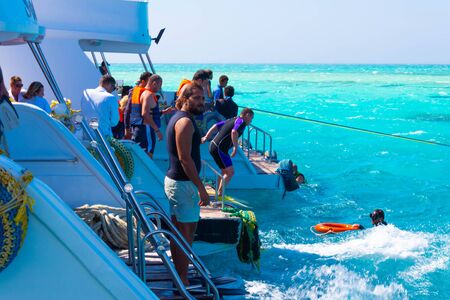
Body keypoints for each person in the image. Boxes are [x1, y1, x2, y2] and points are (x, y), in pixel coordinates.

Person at [164, 83, 209, 285]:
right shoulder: (185, 122)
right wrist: (201, 188)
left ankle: (180, 276)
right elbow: (185, 160)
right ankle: (182, 280)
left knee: (180, 232)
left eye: (203, 99)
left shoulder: (180, 118)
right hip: (183, 185)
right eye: (197, 98)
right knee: (185, 234)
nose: (202, 102)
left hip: (178, 183)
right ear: (185, 99)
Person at [201, 108, 254, 195]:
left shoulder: (232, 119)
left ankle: (218, 192)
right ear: (247, 115)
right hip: (219, 149)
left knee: (224, 171)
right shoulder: (241, 121)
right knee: (230, 172)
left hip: (214, 146)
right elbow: (234, 132)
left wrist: (206, 137)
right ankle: (220, 194)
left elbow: (215, 126)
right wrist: (235, 148)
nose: (251, 121)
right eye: (251, 118)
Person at [138, 74, 173, 158]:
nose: (159, 88)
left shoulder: (144, 93)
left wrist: (163, 112)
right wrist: (157, 131)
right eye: (159, 85)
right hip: (147, 129)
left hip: (143, 129)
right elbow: (145, 113)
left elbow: (149, 112)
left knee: (146, 152)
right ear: (154, 83)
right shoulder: (148, 95)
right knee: (148, 153)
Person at [124, 71, 152, 139]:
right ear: (143, 81)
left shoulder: (143, 92)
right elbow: (127, 111)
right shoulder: (136, 92)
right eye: (149, 82)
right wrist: (127, 128)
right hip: (140, 127)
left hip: (139, 126)